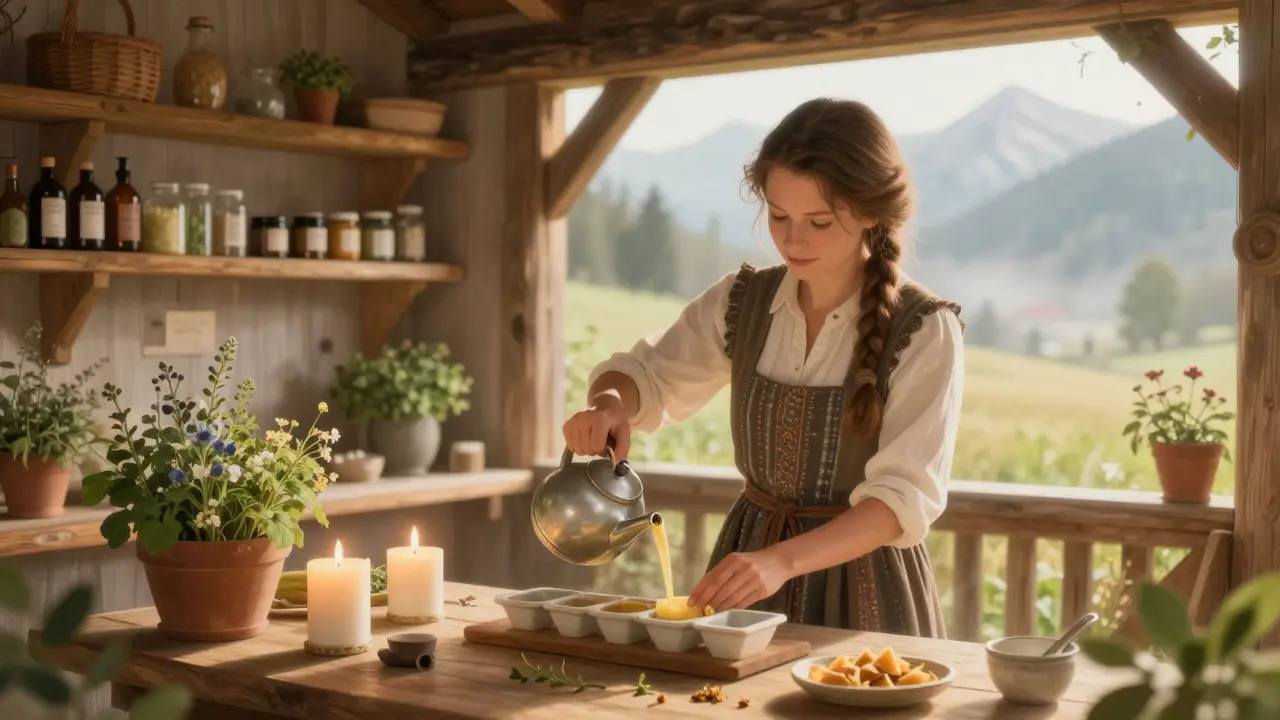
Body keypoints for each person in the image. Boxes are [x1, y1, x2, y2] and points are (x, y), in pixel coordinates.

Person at [562, 97, 964, 637]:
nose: (793, 239)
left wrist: (781, 561)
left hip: (865, 588)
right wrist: (611, 403)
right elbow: (648, 374)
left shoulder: (924, 330)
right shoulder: (742, 302)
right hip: (747, 571)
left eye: (818, 222)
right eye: (778, 216)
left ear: (870, 212)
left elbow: (900, 502)